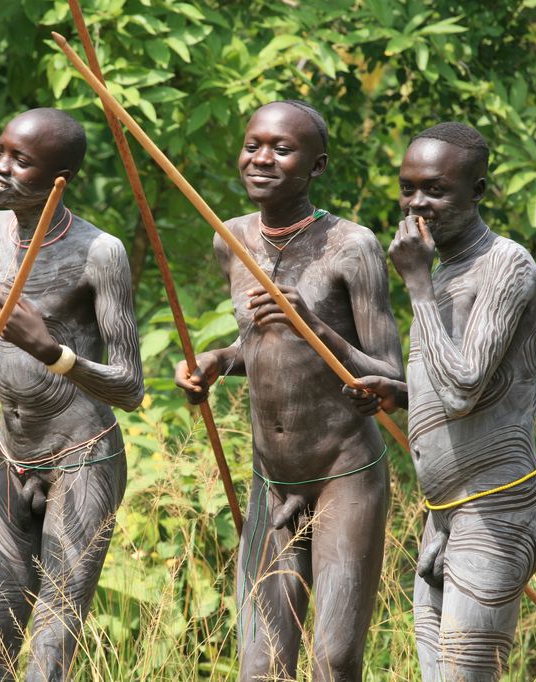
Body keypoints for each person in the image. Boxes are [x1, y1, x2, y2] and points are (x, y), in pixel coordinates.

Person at [175, 100, 403, 681]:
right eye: (254, 145)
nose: (262, 159)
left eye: (282, 149)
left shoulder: (352, 246)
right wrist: (215, 361)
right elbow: (258, 348)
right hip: (272, 477)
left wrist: (313, 324)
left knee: (335, 657)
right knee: (261, 665)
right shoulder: (232, 238)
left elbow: (391, 378)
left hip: (342, 474)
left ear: (316, 166)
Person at [343, 122, 536, 680]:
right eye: (408, 188)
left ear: (478, 191)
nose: (418, 204)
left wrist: (415, 284)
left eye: (436, 190)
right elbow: (451, 381)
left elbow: (462, 390)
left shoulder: (505, 266)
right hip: (445, 516)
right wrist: (398, 392)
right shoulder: (444, 269)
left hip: (499, 508)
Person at [0, 108, 144, 681]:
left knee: (50, 649)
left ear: (60, 179)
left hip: (84, 458)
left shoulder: (101, 252)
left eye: (20, 161)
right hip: (12, 454)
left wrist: (53, 352)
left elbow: (130, 388)